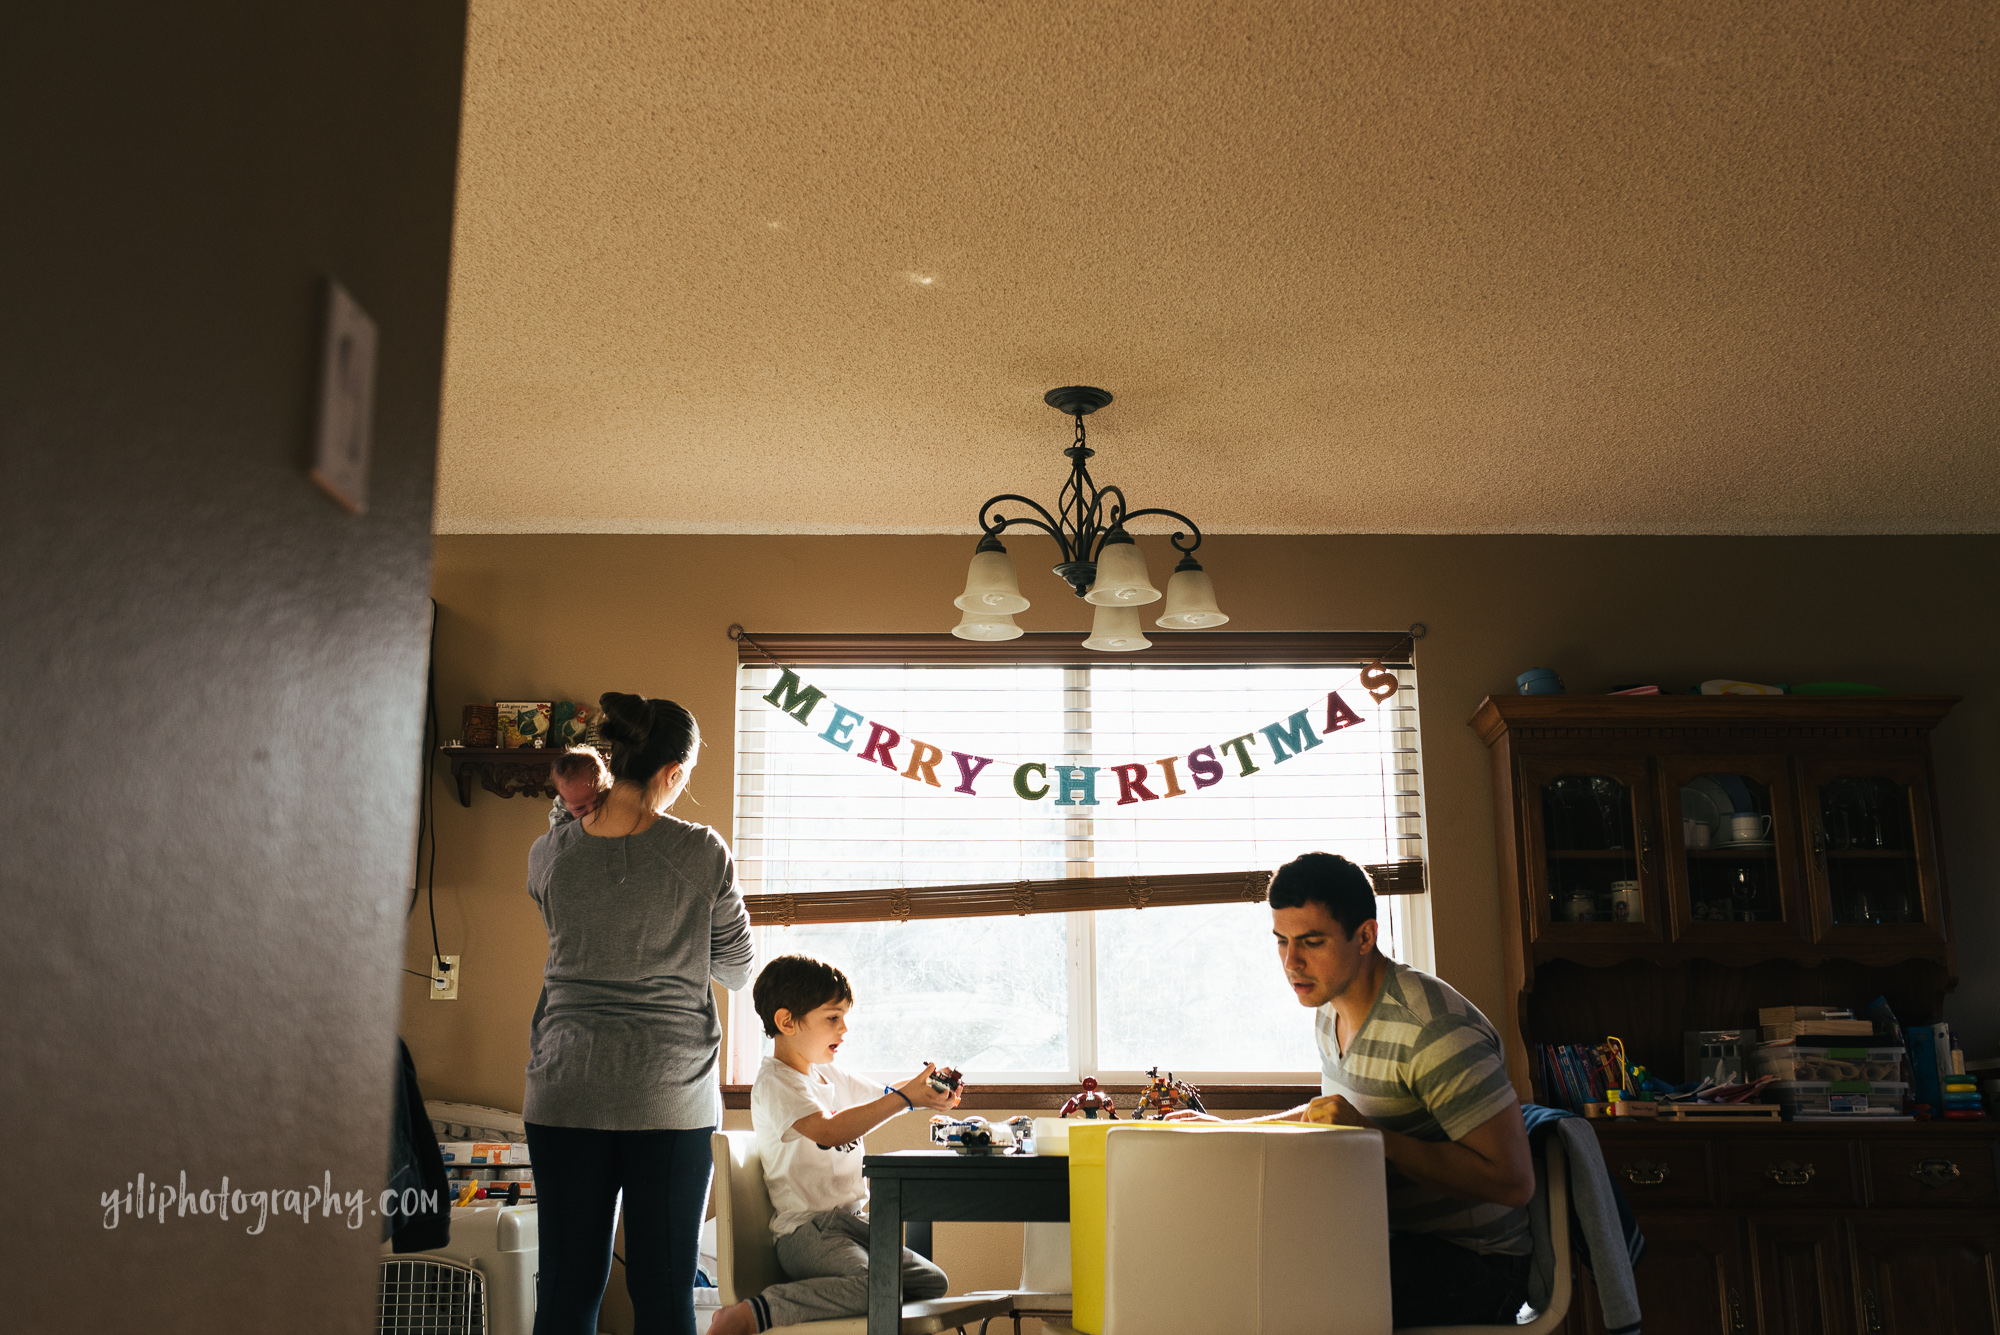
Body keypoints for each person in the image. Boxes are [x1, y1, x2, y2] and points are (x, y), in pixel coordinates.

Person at [1171, 852, 1536, 1328]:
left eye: (1311, 942)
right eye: (1281, 941)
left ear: (1365, 936)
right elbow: (1331, 1114)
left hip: (1476, 1264)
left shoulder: (1432, 1030)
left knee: (1277, 1297)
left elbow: (1513, 1182)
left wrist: (1374, 1139)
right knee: (1228, 1266)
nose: (1291, 962)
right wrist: (1221, 1130)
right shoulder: (1329, 1009)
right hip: (1383, 1237)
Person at [524, 692, 755, 1335]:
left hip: (565, 1092)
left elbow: (566, 906)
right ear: (673, 774)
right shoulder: (702, 851)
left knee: (566, 1292)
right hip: (669, 1098)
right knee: (663, 1294)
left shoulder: (550, 854)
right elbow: (737, 969)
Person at [709, 955, 961, 1335]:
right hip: (807, 1231)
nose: (844, 1028)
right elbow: (829, 1131)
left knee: (931, 1282)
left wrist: (925, 1093)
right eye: (832, 1018)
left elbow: (887, 1097)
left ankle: (821, 1296)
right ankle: (752, 1312)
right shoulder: (777, 1084)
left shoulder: (829, 1074)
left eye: (844, 1017)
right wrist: (904, 1098)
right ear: (786, 1021)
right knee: (870, 1286)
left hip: (852, 1223)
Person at [547, 746, 611, 828]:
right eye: (580, 808)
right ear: (564, 800)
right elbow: (560, 837)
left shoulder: (615, 794)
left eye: (598, 800)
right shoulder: (561, 813)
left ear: (608, 782)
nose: (592, 811)